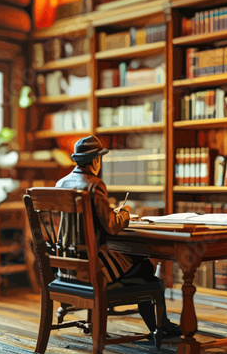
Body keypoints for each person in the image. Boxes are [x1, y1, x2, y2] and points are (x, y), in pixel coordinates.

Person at [55, 135, 181, 338]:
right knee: (148, 272)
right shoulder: (94, 185)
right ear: (96, 160)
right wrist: (124, 212)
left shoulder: (61, 183)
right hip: (91, 268)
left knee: (143, 267)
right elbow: (112, 226)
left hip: (65, 268)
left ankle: (159, 325)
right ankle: (159, 326)